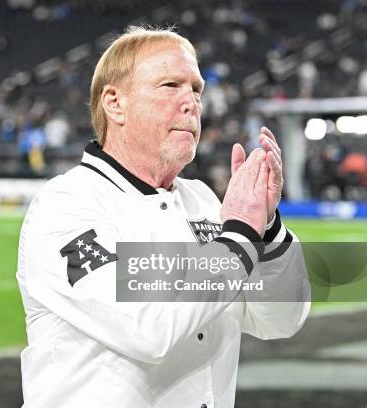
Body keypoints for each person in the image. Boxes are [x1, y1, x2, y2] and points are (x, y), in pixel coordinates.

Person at [16, 26, 310, 408]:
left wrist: (266, 227)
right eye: (171, 85)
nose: (191, 102)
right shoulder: (66, 206)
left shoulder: (204, 201)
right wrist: (238, 234)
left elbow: (280, 320)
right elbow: (147, 326)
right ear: (114, 103)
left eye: (196, 89)